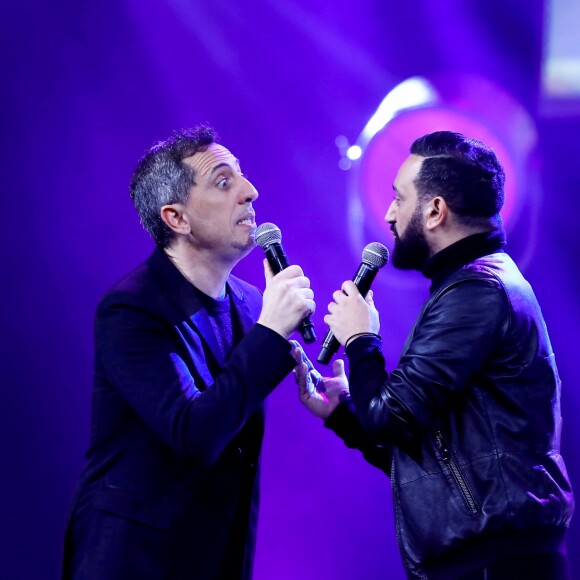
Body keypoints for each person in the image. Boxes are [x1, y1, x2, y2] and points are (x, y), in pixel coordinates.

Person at [293, 131, 574, 579]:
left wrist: (362, 340)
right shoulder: (473, 284)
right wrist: (343, 414)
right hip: (492, 556)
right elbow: (435, 461)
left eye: (398, 199)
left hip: (496, 562)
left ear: (435, 210)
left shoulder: (476, 291)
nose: (387, 214)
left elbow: (391, 418)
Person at [62, 125, 314, 579]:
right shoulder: (131, 310)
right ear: (177, 218)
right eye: (223, 181)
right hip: (133, 561)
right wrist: (271, 333)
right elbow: (193, 434)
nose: (251, 192)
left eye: (242, 175)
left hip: (215, 556)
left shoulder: (251, 302)